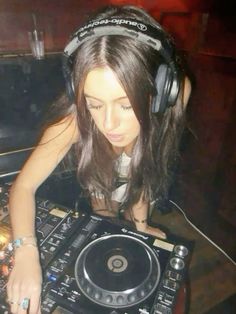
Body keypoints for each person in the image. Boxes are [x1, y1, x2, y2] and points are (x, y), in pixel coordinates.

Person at [7, 4, 191, 314]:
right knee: (103, 213)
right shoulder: (72, 123)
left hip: (134, 172)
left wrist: (141, 224)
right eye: (94, 104)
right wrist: (25, 253)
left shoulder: (178, 93)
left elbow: (146, 160)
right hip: (100, 176)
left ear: (162, 92)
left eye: (125, 105)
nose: (108, 125)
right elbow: (22, 187)